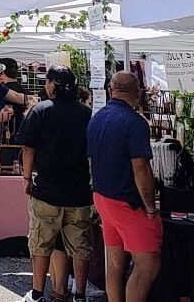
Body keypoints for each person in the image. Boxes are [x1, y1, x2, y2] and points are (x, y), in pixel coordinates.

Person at [15, 66, 94, 302]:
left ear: (52, 84)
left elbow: (28, 148)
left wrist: (26, 178)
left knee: (41, 244)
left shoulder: (41, 110)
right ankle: (80, 294)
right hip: (79, 191)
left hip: (46, 190)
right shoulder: (86, 114)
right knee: (80, 246)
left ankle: (37, 293)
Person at [88, 72, 161, 302]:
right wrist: (150, 206)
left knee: (115, 263)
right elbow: (141, 168)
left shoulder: (96, 118)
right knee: (147, 264)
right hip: (127, 201)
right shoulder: (135, 122)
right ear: (138, 92)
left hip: (102, 196)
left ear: (111, 90)